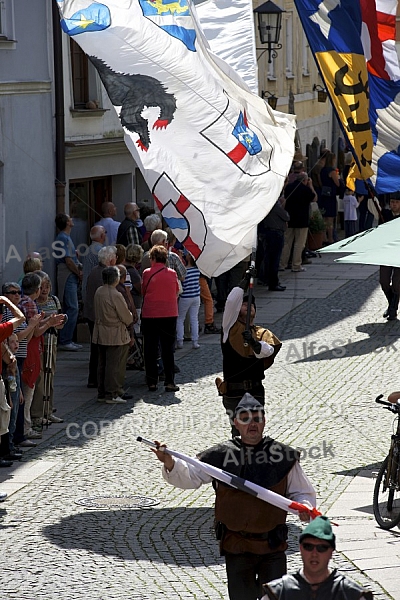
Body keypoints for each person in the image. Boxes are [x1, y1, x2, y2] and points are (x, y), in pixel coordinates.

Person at [153, 394, 316, 600]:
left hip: (272, 546)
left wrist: (304, 507)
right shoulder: (220, 455)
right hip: (237, 546)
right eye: (246, 419)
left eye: (257, 418)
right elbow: (191, 476)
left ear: (264, 421)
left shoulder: (282, 455)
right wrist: (169, 462)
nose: (252, 424)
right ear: (235, 422)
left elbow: (302, 491)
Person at [217, 268, 282, 435]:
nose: (248, 306)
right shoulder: (229, 328)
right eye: (244, 304)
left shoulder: (262, 333)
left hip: (255, 391)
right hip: (234, 393)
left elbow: (267, 351)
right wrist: (245, 280)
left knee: (254, 433)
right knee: (239, 434)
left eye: (251, 304)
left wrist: (253, 342)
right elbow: (231, 301)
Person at [261, 516, 373, 600]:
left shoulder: (351, 594)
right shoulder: (278, 593)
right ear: (300, 548)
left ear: (331, 551)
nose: (314, 553)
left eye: (322, 548)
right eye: (308, 546)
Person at [141, 244, 180, 392]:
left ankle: (152, 381)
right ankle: (170, 381)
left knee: (150, 349)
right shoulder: (172, 273)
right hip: (169, 314)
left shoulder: (147, 273)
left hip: (150, 314)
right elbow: (176, 291)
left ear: (153, 258)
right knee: (168, 349)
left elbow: (144, 291)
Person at [92, 266, 134, 404]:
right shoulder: (115, 294)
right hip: (114, 333)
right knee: (113, 365)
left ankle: (102, 393)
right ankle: (111, 393)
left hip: (101, 332)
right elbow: (126, 317)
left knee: (103, 364)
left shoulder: (99, 291)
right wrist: (131, 317)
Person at [54, 213, 83, 351]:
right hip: (68, 274)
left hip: (70, 273)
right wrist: (78, 272)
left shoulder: (65, 237)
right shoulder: (63, 237)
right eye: (69, 218)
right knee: (72, 307)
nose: (72, 219)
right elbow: (68, 260)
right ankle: (66, 340)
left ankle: (67, 339)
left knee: (71, 307)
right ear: (66, 222)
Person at [279, 173, 317, 273]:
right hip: (302, 220)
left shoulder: (289, 187)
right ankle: (296, 265)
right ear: (305, 180)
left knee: (287, 243)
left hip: (290, 218)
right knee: (299, 244)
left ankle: (282, 264)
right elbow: (314, 198)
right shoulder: (306, 189)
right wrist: (311, 185)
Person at [258, 200, 289, 290]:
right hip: (275, 234)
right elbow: (286, 216)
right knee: (274, 259)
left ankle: (267, 279)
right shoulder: (274, 205)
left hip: (269, 233)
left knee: (269, 258)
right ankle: (273, 283)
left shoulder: (266, 205)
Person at [380, 197, 400, 320]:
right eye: (392, 202)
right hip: (386, 252)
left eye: (397, 202)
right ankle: (391, 305)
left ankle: (392, 309)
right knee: (384, 281)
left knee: (397, 283)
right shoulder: (384, 214)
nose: (394, 204)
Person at [176, 253, 201, 350]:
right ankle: (195, 342)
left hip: (185, 297)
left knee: (180, 319)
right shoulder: (197, 270)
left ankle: (180, 341)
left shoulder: (185, 271)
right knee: (194, 319)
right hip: (196, 296)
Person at [319, 151, 341, 244]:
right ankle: (330, 238)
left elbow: (320, 182)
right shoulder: (332, 171)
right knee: (330, 219)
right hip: (330, 196)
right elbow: (337, 183)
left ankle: (323, 238)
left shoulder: (322, 170)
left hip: (323, 194)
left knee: (324, 218)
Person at [81, 225, 106, 301]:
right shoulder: (101, 251)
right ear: (102, 235)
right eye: (105, 233)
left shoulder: (87, 250)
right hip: (95, 290)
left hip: (86, 288)